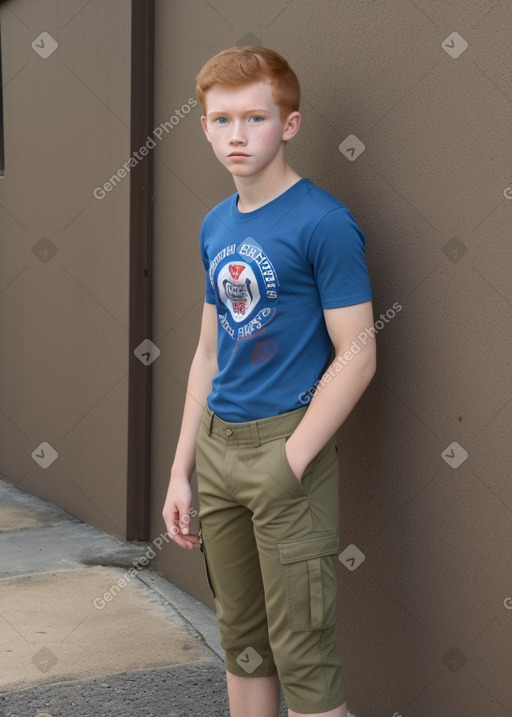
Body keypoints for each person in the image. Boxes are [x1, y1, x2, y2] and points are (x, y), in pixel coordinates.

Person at [162, 46, 376, 717]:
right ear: (202, 127)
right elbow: (206, 353)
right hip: (219, 450)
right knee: (244, 643)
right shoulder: (216, 223)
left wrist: (294, 456)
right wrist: (181, 470)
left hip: (287, 449)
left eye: (255, 118)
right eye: (221, 118)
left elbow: (359, 352)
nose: (236, 134)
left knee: (304, 652)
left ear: (289, 124)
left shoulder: (324, 222)